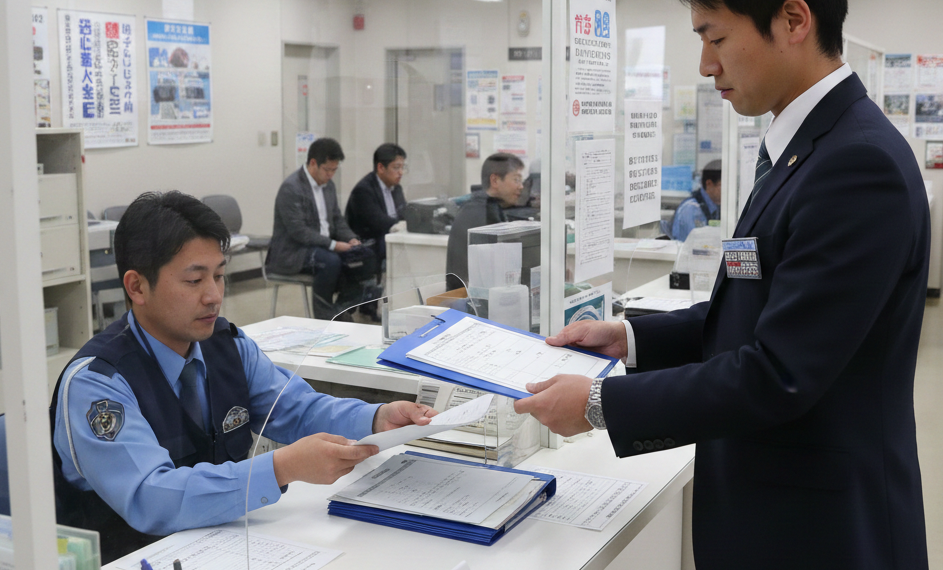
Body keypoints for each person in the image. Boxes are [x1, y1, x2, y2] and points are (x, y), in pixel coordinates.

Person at [515, 1, 930, 568]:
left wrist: (598, 403)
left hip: (820, 530)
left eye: (715, 38)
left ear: (793, 20)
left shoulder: (856, 162)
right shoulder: (801, 146)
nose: (705, 65)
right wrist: (631, 340)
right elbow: (759, 306)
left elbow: (778, 372)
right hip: (771, 509)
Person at [50, 191, 435, 563]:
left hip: (220, 544)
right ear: (137, 286)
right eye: (193, 280)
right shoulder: (98, 383)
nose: (213, 296)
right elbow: (150, 496)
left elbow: (297, 409)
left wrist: (376, 418)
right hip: (134, 556)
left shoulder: (227, 346)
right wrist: (281, 467)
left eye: (219, 276)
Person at [266, 137, 377, 319]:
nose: (330, 175)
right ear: (313, 163)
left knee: (365, 256)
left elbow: (336, 219)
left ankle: (341, 307)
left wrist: (350, 238)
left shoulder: (328, 186)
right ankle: (324, 316)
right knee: (330, 260)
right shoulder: (291, 188)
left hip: (323, 247)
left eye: (334, 170)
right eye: (327, 170)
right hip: (294, 252)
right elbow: (298, 231)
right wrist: (333, 244)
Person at [445, 153, 525, 291]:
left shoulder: (485, 206)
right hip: (470, 304)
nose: (521, 186)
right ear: (495, 180)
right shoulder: (482, 213)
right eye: (516, 179)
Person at [345, 143, 408, 264]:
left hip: (389, 237)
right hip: (369, 241)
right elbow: (378, 221)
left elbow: (404, 213)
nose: (401, 172)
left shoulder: (396, 188)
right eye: (396, 167)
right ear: (380, 168)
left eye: (402, 167)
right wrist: (401, 225)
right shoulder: (363, 190)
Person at [670, 159, 721, 241]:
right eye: (721, 185)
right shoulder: (691, 210)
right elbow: (692, 247)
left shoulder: (717, 207)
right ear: (709, 184)